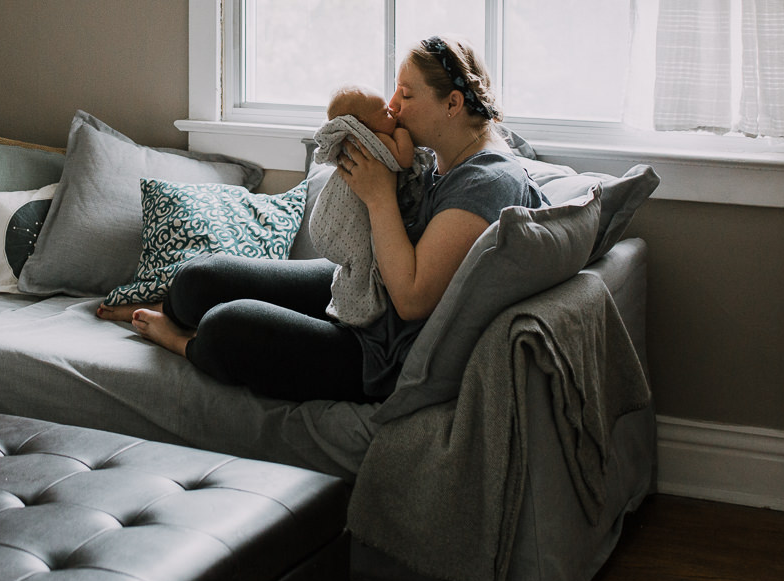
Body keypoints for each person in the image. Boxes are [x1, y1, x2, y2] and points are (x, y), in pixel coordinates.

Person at [96, 35, 548, 404]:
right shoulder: (436, 158)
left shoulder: (488, 183)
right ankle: (171, 311)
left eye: (406, 94)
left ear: (453, 104)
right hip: (363, 287)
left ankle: (183, 341)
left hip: (379, 351)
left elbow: (411, 299)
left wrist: (378, 197)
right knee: (197, 280)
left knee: (226, 327)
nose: (393, 105)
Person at [324, 85, 416, 169]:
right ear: (363, 125)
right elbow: (405, 161)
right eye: (386, 112)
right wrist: (401, 131)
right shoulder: (378, 138)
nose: (393, 111)